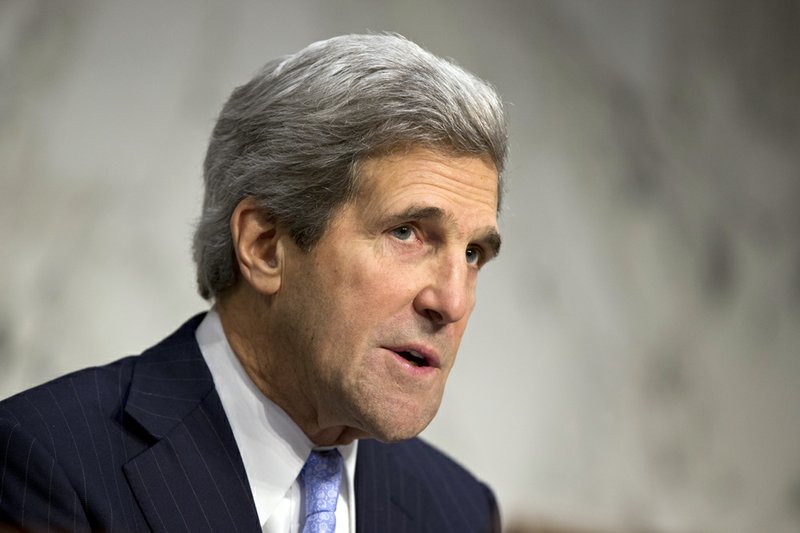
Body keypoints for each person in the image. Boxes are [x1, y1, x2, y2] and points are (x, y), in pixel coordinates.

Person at [0, 33, 507, 532]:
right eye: (406, 233)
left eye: (473, 253)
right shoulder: (48, 462)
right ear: (265, 247)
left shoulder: (459, 509)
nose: (453, 300)